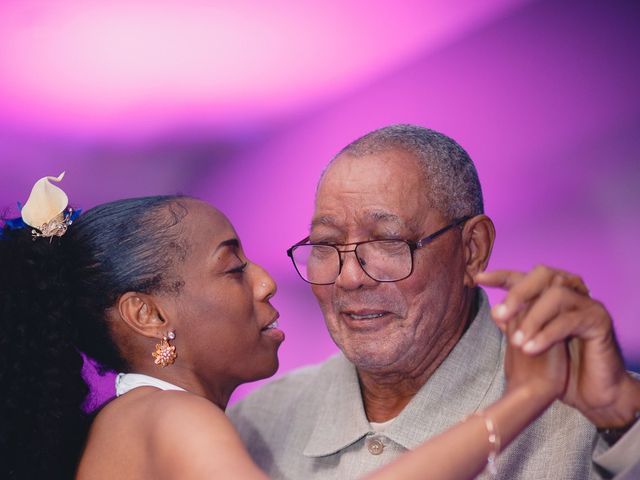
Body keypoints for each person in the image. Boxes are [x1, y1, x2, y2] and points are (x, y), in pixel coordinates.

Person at [0, 173, 570, 479]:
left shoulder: (135, 419)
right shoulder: (169, 416)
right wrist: (526, 397)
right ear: (148, 315)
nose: (267, 283)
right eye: (233, 268)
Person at [228, 124, 640, 479]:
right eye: (325, 244)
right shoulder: (259, 423)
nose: (349, 278)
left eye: (388, 242)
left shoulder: (596, 415)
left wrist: (622, 420)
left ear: (472, 250)